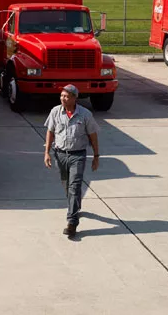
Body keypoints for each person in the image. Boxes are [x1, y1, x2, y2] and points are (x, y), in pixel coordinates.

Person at [43, 84, 101, 238]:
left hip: (78, 155)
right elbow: (50, 131)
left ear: (75, 98)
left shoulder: (85, 114)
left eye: (67, 96)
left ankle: (72, 222)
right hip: (60, 154)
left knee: (74, 187)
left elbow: (93, 135)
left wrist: (96, 156)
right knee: (67, 186)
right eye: (62, 96)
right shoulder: (55, 111)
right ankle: (75, 205)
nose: (63, 98)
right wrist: (47, 152)